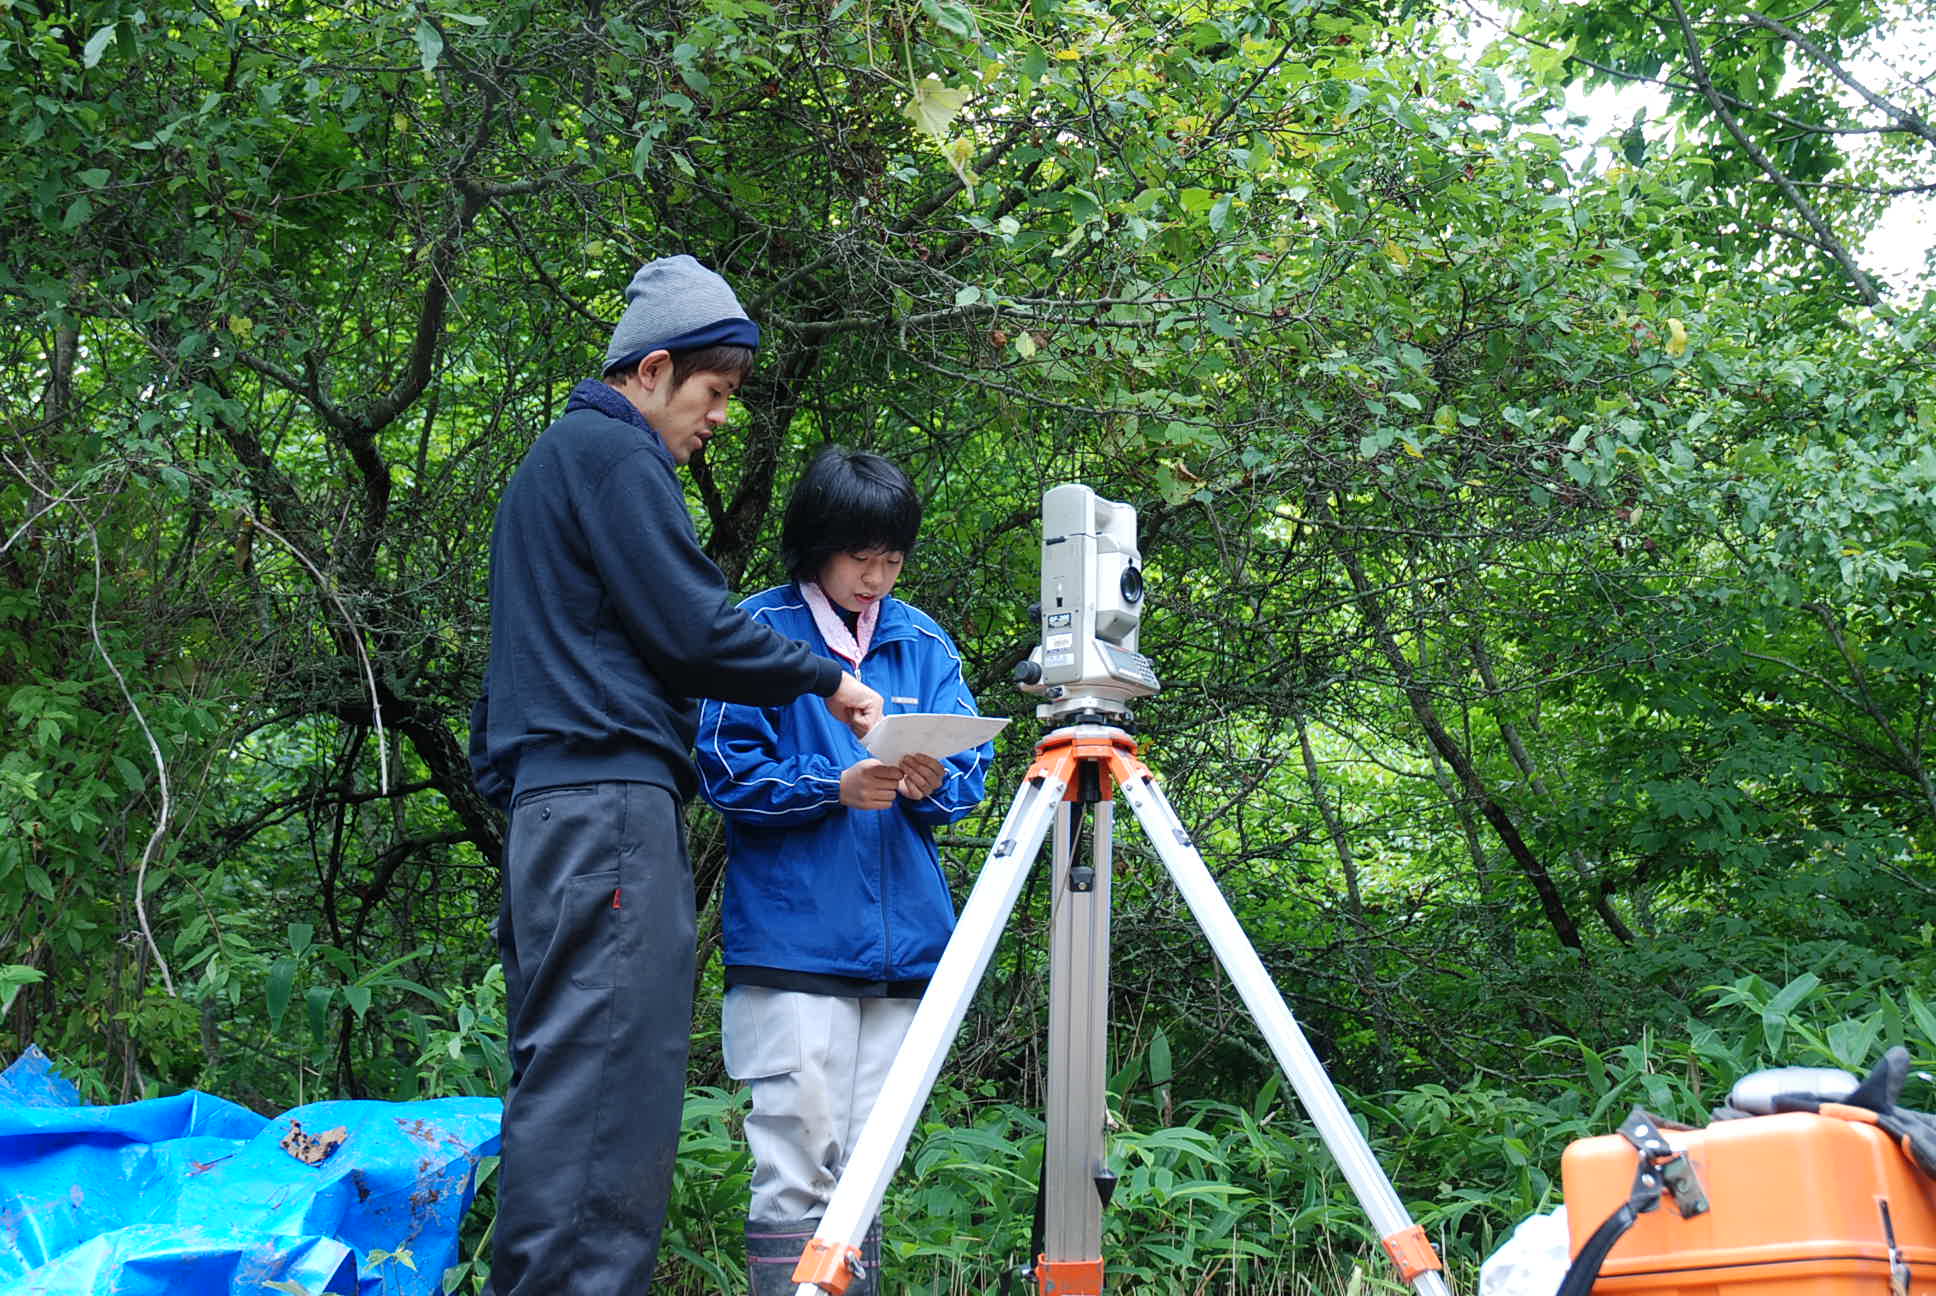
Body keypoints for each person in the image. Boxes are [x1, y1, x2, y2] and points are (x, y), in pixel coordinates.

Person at [469, 256, 884, 1296]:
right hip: (604, 807)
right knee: (608, 1081)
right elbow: (693, 627)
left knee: (568, 1074)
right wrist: (824, 680)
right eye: (714, 394)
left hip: (554, 808)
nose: (719, 420)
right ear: (653, 370)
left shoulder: (549, 468)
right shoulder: (610, 457)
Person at [694, 447, 993, 1296]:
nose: (876, 575)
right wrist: (834, 787)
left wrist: (934, 783)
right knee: (794, 1158)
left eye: (892, 557)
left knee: (868, 1167)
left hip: (905, 953)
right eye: (861, 555)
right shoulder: (755, 634)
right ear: (815, 545)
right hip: (794, 942)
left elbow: (971, 770)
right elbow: (724, 771)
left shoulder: (921, 639)